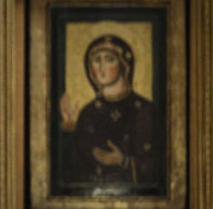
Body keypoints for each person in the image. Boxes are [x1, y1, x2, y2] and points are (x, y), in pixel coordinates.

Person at [60, 34, 162, 194]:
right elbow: (72, 173)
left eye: (109, 59)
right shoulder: (87, 112)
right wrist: (68, 129)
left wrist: (125, 161)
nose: (101, 67)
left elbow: (161, 167)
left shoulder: (144, 109)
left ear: (123, 64)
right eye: (96, 59)